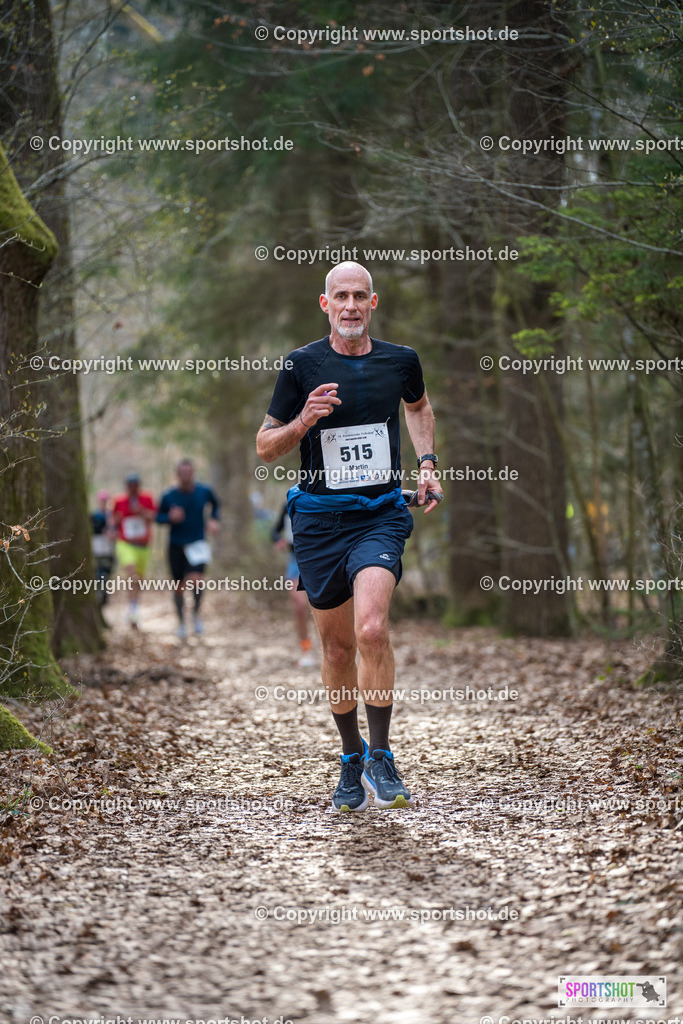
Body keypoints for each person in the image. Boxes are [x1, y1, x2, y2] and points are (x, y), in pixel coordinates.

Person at [256, 261, 443, 811]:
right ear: (325, 304)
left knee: (371, 628)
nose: (351, 305)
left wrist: (427, 463)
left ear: (374, 302)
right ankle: (350, 757)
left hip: (380, 516)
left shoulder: (401, 361)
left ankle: (383, 756)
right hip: (318, 523)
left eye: (360, 295)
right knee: (336, 647)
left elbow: (419, 406)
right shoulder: (301, 365)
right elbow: (265, 446)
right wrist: (304, 420)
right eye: (341, 296)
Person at [156, 458, 220, 639]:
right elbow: (158, 518)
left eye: (188, 473)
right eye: (182, 473)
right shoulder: (168, 496)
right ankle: (181, 622)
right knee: (178, 586)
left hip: (197, 543)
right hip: (176, 545)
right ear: (177, 475)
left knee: (197, 580)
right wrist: (169, 517)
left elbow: (216, 504)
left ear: (193, 473)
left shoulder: (204, 491)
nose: (185, 476)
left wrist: (214, 519)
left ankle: (196, 615)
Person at [272, 500, 315, 668]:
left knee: (324, 606)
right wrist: (278, 540)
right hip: (296, 559)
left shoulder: (328, 496)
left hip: (323, 558)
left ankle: (335, 649)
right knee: (299, 605)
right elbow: (275, 531)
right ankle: (306, 649)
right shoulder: (290, 503)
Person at [112, 474, 157, 629]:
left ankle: (134, 605)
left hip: (143, 545)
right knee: (131, 572)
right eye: (130, 486)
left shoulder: (147, 499)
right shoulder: (119, 501)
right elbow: (112, 520)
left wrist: (141, 512)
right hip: (126, 543)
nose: (132, 489)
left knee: (139, 579)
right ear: (126, 487)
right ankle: (132, 609)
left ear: (139, 486)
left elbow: (154, 517)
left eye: (135, 485)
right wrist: (115, 522)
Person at [91, 490, 115, 608]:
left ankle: (103, 598)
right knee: (98, 574)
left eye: (105, 501)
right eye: (101, 500)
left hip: (108, 550)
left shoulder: (111, 516)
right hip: (96, 549)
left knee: (106, 575)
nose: (103, 503)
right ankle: (98, 596)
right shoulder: (93, 516)